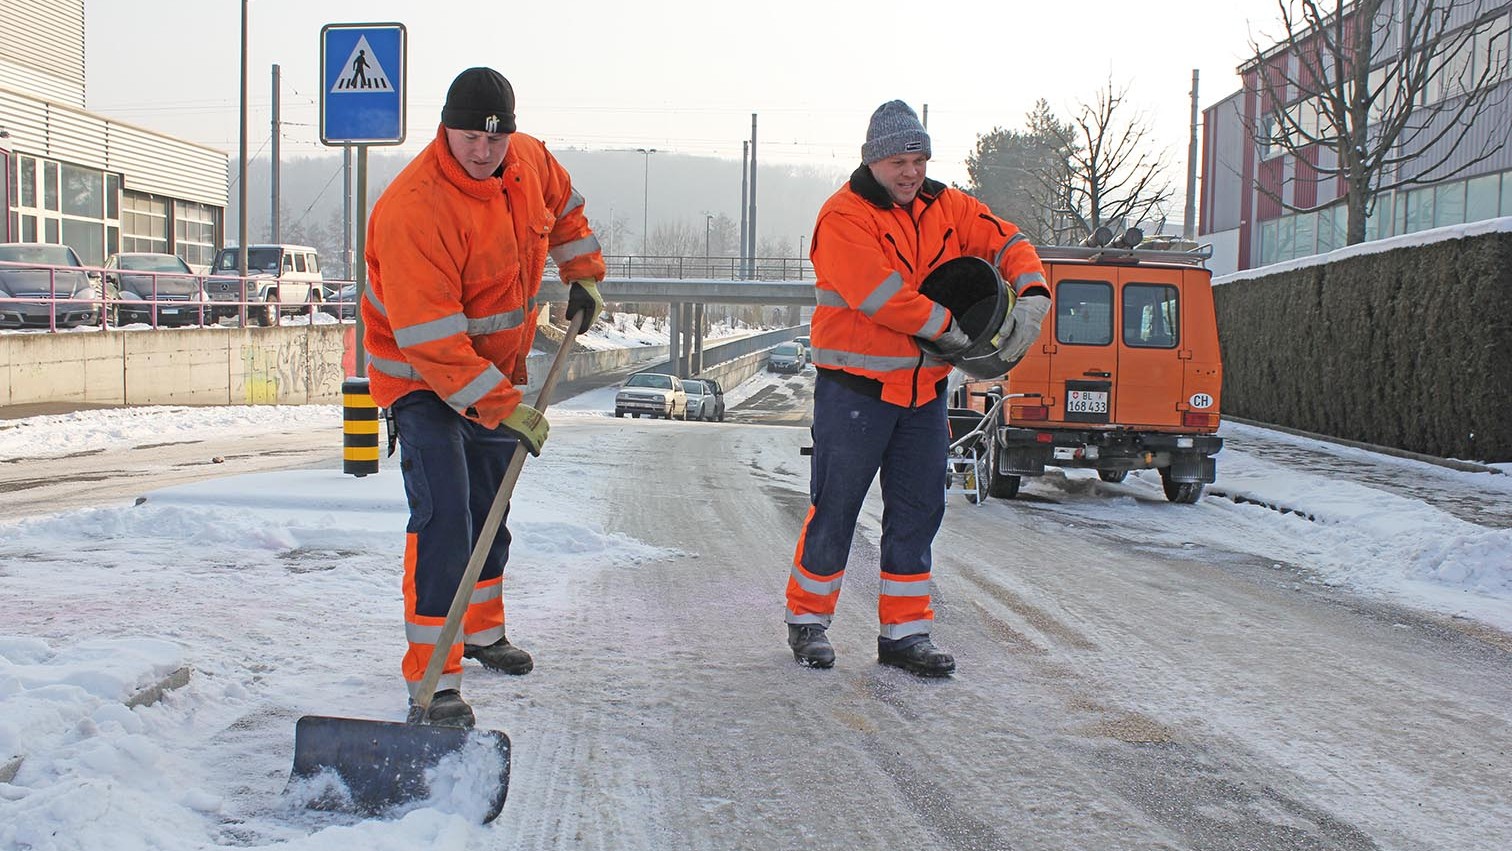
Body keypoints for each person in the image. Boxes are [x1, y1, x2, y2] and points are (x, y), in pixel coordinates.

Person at [363, 67, 607, 727]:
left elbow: (567, 211)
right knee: (446, 516)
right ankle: (433, 676)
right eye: (471, 136)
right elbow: (435, 345)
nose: (483, 150)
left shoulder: (526, 161)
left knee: (490, 508)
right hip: (422, 377)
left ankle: (480, 629)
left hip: (495, 373)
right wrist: (503, 407)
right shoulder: (415, 207)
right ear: (447, 128)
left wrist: (581, 273)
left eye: (495, 139)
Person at [784, 100, 1050, 678]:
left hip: (923, 394)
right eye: (899, 161)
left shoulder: (948, 206)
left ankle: (905, 635)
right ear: (873, 161)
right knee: (836, 508)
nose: (911, 172)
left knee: (918, 511)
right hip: (855, 393)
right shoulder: (843, 217)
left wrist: (1033, 293)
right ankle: (808, 621)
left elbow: (1007, 241)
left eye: (920, 159)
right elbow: (879, 295)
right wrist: (949, 330)